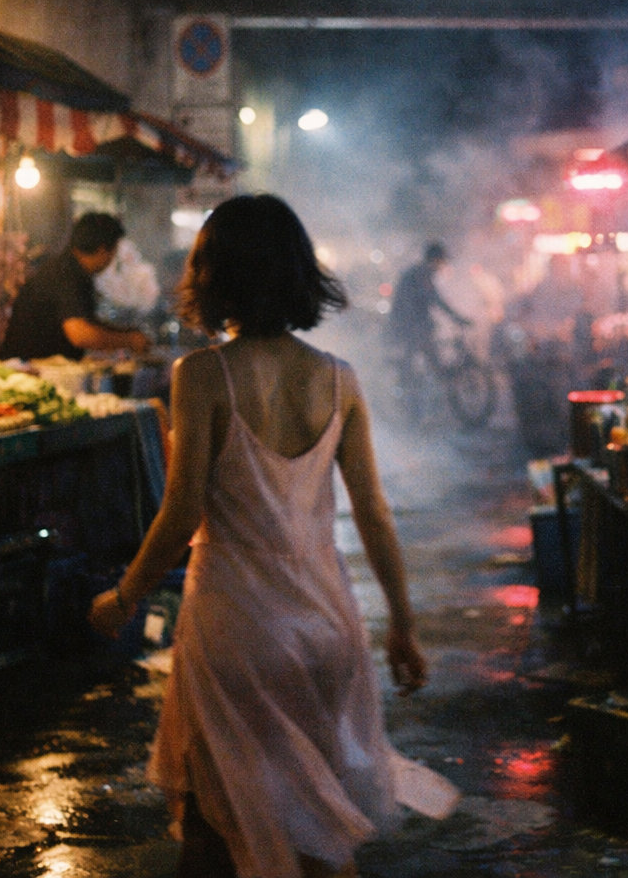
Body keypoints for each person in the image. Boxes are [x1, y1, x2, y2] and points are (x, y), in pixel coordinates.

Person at [88, 195, 433, 878]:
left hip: (237, 630)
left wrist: (124, 596)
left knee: (214, 828)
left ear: (214, 277)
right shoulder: (339, 380)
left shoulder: (203, 375)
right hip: (326, 625)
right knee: (315, 829)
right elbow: (373, 513)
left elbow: (182, 512)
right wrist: (401, 625)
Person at [0, 213, 149, 361]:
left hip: (37, 368)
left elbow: (88, 322)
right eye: (114, 251)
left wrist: (127, 333)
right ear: (104, 250)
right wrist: (129, 340)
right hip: (24, 371)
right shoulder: (65, 274)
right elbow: (80, 334)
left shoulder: (72, 270)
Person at [385, 241, 471, 393]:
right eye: (441, 261)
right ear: (435, 259)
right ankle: (414, 393)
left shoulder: (419, 272)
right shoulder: (421, 273)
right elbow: (434, 299)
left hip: (410, 323)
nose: (442, 265)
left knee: (428, 355)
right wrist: (457, 318)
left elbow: (432, 299)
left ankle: (422, 388)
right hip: (408, 325)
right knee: (429, 356)